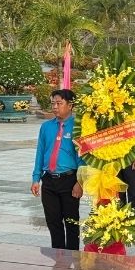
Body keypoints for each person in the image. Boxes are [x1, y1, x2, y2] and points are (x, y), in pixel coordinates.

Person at [31, 89, 84, 250]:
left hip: (69, 180)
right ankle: (58, 255)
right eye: (53, 103)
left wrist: (80, 182)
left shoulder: (78, 127)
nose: (55, 106)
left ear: (70, 105)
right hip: (49, 180)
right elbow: (40, 152)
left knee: (71, 222)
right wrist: (36, 178)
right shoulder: (46, 127)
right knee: (53, 221)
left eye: (59, 103)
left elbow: (83, 156)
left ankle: (73, 255)